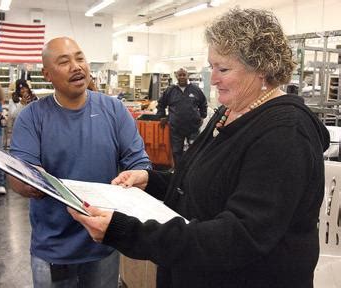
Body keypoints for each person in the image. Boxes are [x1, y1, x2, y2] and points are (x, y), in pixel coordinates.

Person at [68, 8, 330, 288]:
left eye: (223, 69)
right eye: (212, 67)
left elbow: (238, 237)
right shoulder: (230, 112)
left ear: (262, 69)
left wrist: (127, 232)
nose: (213, 78)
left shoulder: (284, 134)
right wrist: (151, 181)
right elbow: (204, 183)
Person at [8, 37, 151, 288]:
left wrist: (138, 174)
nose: (76, 66)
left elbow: (139, 161)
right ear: (47, 74)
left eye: (80, 58)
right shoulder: (32, 117)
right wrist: (30, 181)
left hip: (104, 240)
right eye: (64, 62)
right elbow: (19, 176)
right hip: (54, 248)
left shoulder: (114, 110)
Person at [157, 67, 207, 167]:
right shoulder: (170, 90)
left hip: (193, 127)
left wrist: (202, 116)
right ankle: (178, 171)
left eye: (184, 75)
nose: (182, 77)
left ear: (187, 76)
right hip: (176, 128)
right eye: (180, 75)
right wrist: (161, 116)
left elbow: (203, 103)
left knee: (195, 150)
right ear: (176, 76)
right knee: (176, 151)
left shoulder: (195, 90)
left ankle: (192, 170)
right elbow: (161, 104)